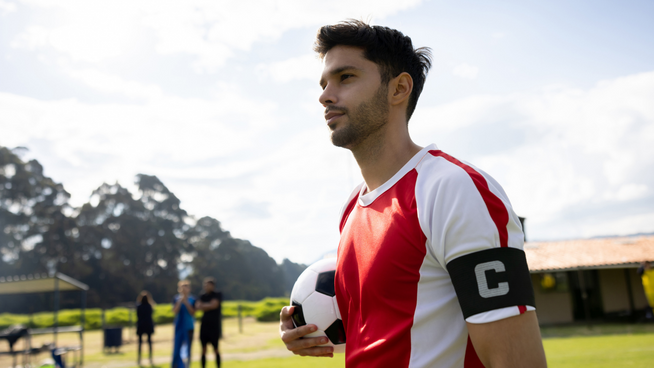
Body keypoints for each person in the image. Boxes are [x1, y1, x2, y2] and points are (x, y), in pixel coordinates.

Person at [279, 20, 548, 368]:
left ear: (399, 89)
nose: (325, 95)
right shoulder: (352, 207)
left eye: (345, 77)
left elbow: (517, 361)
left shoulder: (452, 190)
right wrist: (307, 322)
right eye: (324, 83)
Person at [195, 277, 223, 368]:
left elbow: (214, 305)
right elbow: (198, 306)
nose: (205, 286)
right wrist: (208, 305)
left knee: (216, 349)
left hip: (214, 327)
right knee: (203, 349)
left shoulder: (217, 294)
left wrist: (204, 305)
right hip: (204, 326)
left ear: (212, 285)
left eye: (207, 285)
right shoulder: (202, 295)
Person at [171, 280, 196, 368]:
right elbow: (174, 311)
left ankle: (186, 366)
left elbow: (193, 312)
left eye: (186, 287)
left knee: (187, 349)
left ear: (189, 289)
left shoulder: (192, 299)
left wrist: (186, 302)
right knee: (177, 348)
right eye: (182, 287)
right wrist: (180, 301)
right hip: (178, 327)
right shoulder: (176, 298)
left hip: (189, 327)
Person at [136, 291, 156, 366]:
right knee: (149, 342)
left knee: (140, 343)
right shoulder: (149, 306)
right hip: (148, 325)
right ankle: (150, 358)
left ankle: (139, 358)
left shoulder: (139, 306)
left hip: (141, 325)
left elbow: (137, 315)